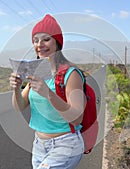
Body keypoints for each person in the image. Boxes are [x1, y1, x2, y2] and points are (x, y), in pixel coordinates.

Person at [9, 14, 86, 169]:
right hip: (39, 145)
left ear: (57, 42)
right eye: (36, 40)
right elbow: (19, 106)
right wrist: (16, 89)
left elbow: (77, 118)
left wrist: (48, 94)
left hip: (65, 144)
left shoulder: (71, 74)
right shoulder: (36, 73)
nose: (40, 44)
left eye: (46, 39)